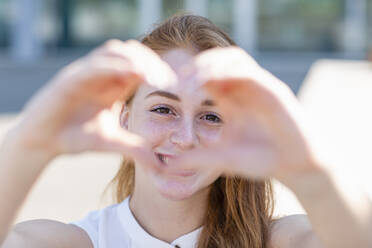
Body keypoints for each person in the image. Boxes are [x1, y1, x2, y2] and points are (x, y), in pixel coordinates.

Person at [0, 14, 371, 248]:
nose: (186, 137)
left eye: (211, 116)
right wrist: (28, 143)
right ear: (124, 116)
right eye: (164, 109)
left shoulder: (280, 240)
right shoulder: (74, 242)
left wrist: (310, 168)